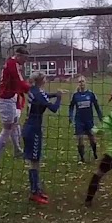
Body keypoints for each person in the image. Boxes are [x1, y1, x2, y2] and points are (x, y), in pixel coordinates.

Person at [21, 73, 66, 204]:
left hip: (30, 127)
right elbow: (53, 108)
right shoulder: (39, 94)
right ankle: (34, 192)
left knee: (35, 161)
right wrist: (59, 98)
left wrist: (55, 94)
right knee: (34, 161)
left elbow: (45, 97)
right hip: (33, 130)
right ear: (41, 80)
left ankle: (36, 189)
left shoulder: (34, 90)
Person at [0, 45, 30, 175]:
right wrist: (33, 89)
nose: (25, 61)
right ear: (18, 56)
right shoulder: (12, 65)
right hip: (5, 99)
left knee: (15, 122)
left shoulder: (14, 64)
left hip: (12, 97)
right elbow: (19, 82)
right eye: (24, 58)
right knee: (7, 128)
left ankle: (17, 150)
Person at [68, 76, 103, 163]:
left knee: (92, 138)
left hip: (89, 120)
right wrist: (70, 117)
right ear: (78, 84)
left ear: (85, 82)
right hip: (79, 121)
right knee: (80, 139)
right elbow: (71, 107)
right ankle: (82, 158)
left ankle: (95, 154)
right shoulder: (75, 95)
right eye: (80, 82)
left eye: (83, 81)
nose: (81, 83)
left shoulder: (91, 94)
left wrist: (100, 117)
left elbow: (97, 106)